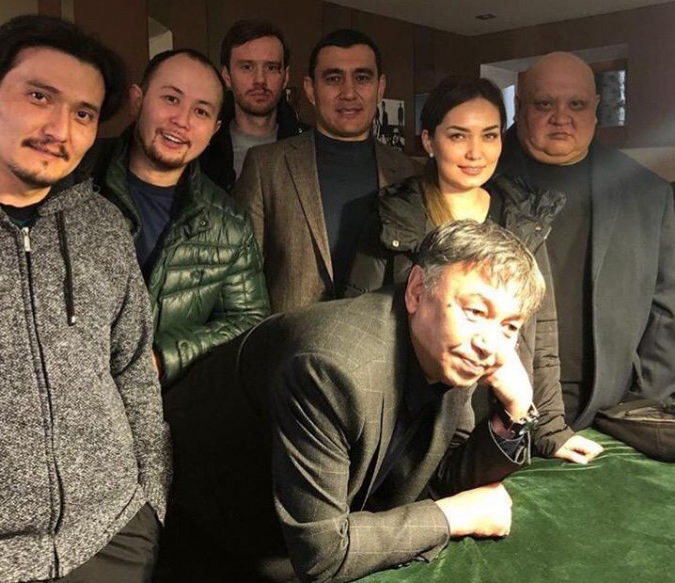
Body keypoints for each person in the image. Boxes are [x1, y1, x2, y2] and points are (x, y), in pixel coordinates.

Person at [162, 220, 547, 582]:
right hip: (212, 539)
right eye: (475, 311)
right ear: (417, 291)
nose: (489, 345)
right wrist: (451, 517)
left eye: (509, 326)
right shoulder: (330, 369)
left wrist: (514, 412)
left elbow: (443, 478)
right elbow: (322, 555)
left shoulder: (452, 350)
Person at [0, 14, 170, 582]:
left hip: (111, 539)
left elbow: (134, 369)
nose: (59, 129)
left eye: (83, 113)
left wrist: (149, 504)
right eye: (40, 96)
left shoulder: (102, 226)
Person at [347, 75, 602, 462]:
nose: (475, 153)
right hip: (413, 424)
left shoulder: (523, 216)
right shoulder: (395, 214)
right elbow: (359, 321)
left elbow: (542, 333)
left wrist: (549, 428)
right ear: (429, 141)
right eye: (458, 136)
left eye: (489, 135)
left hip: (497, 418)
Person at [498, 51, 675, 428]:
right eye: (544, 104)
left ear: (595, 108)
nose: (561, 117)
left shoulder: (648, 192)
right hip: (495, 410)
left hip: (609, 412)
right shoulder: (477, 180)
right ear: (520, 106)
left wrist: (644, 400)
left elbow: (667, 308)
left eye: (575, 104)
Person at [82, 49, 270, 389]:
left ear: (214, 129)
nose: (182, 121)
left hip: (167, 403)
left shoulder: (228, 222)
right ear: (137, 101)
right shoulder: (77, 181)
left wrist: (163, 356)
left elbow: (248, 320)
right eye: (171, 99)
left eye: (200, 111)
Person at [234, 28, 419, 312]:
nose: (349, 92)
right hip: (292, 337)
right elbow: (240, 282)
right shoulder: (265, 166)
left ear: (380, 87)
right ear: (311, 89)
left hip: (383, 336)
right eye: (333, 78)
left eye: (362, 78)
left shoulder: (409, 172)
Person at [199, 19, 306, 191]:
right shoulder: (201, 148)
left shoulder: (310, 146)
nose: (260, 80)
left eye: (271, 68)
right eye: (247, 67)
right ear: (227, 76)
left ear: (285, 76)